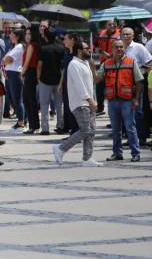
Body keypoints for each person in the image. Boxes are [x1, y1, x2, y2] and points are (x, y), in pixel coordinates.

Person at [53, 39, 101, 167]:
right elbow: (80, 85)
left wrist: (93, 99)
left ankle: (87, 158)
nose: (89, 50)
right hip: (80, 103)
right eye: (86, 49)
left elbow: (91, 83)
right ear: (79, 51)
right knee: (85, 130)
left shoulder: (85, 63)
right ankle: (61, 148)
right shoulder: (74, 64)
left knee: (91, 131)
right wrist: (90, 100)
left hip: (89, 102)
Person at [98, 40, 144, 162]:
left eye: (121, 47)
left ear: (124, 49)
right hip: (112, 101)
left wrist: (136, 98)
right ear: (112, 49)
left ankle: (136, 153)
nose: (119, 49)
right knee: (115, 129)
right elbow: (97, 79)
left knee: (130, 127)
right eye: (117, 47)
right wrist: (91, 65)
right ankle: (117, 153)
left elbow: (139, 81)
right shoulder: (106, 63)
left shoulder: (131, 62)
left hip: (127, 100)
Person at [37, 27, 65, 136]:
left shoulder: (43, 49)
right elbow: (63, 66)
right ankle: (60, 126)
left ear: (45, 36)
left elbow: (39, 65)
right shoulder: (61, 48)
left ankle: (45, 128)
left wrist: (38, 78)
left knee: (44, 105)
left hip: (45, 79)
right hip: (58, 79)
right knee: (59, 105)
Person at [95, 19, 121, 114]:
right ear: (106, 25)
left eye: (114, 24)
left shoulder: (120, 34)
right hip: (103, 63)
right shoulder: (100, 34)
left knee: (112, 86)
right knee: (99, 85)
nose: (112, 26)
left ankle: (114, 110)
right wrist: (102, 52)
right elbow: (95, 47)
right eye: (110, 24)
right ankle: (100, 107)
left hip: (116, 63)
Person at [4, 29, 26, 131]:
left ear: (17, 36)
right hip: (10, 73)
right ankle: (20, 120)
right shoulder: (13, 46)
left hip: (15, 73)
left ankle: (21, 122)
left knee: (17, 99)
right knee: (12, 98)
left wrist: (4, 60)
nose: (10, 36)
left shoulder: (19, 47)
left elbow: (8, 59)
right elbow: (5, 60)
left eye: (12, 35)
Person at [21, 26, 41, 133]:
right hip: (31, 73)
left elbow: (27, 62)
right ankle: (33, 125)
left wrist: (22, 73)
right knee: (28, 100)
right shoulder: (35, 45)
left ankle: (33, 126)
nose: (27, 36)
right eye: (26, 34)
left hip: (29, 72)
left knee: (29, 100)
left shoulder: (31, 46)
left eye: (29, 34)